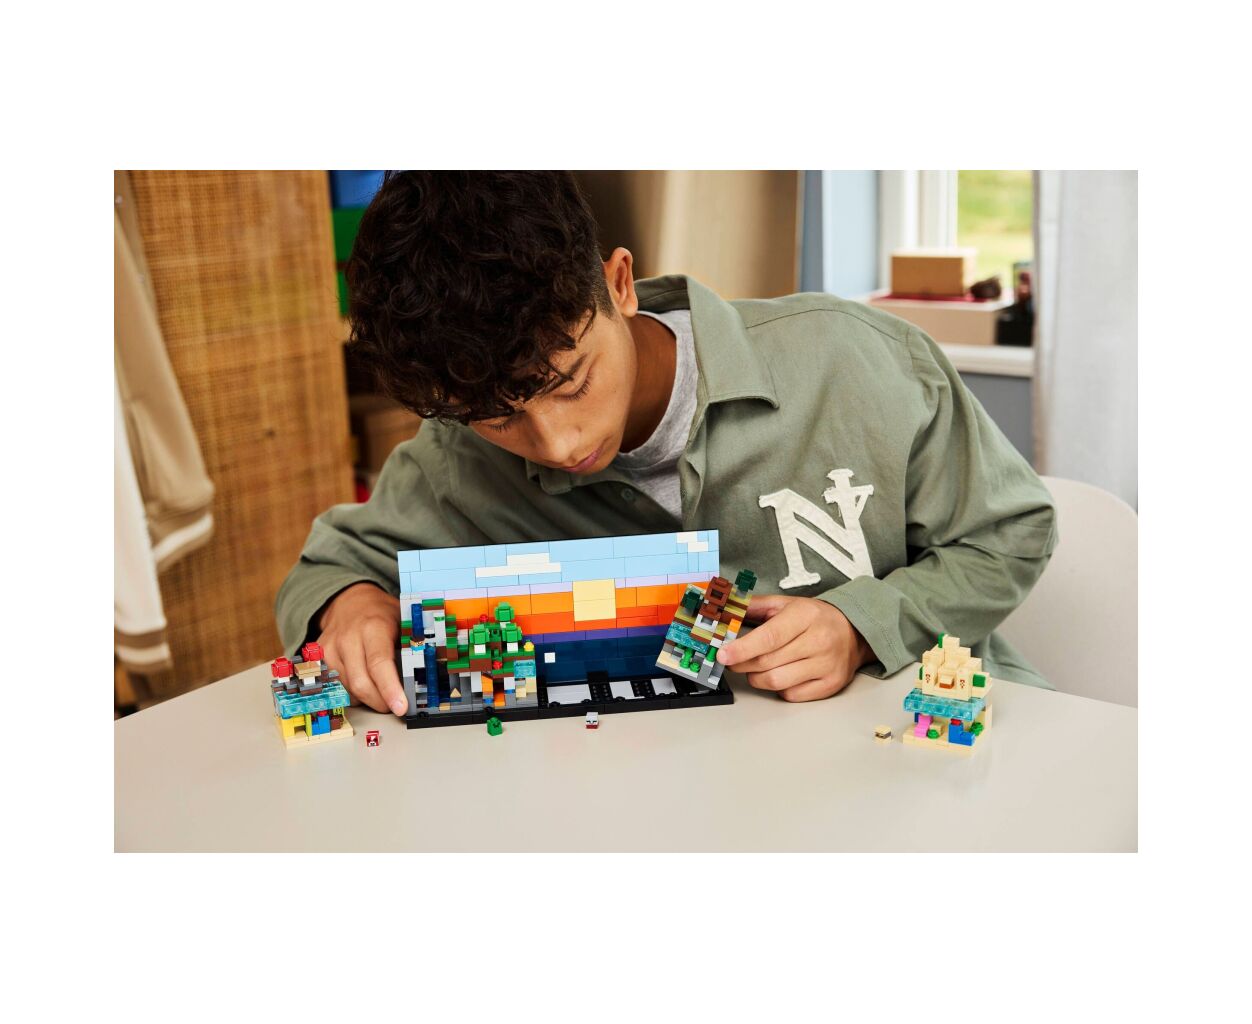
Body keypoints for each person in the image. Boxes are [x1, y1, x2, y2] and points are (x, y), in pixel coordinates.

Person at [276, 171, 1057, 717]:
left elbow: (1011, 531)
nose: (559, 443)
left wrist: (861, 625)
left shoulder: (857, 361)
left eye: (571, 381)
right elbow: (330, 570)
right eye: (499, 418)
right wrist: (351, 606)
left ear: (619, 284)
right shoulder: (455, 455)